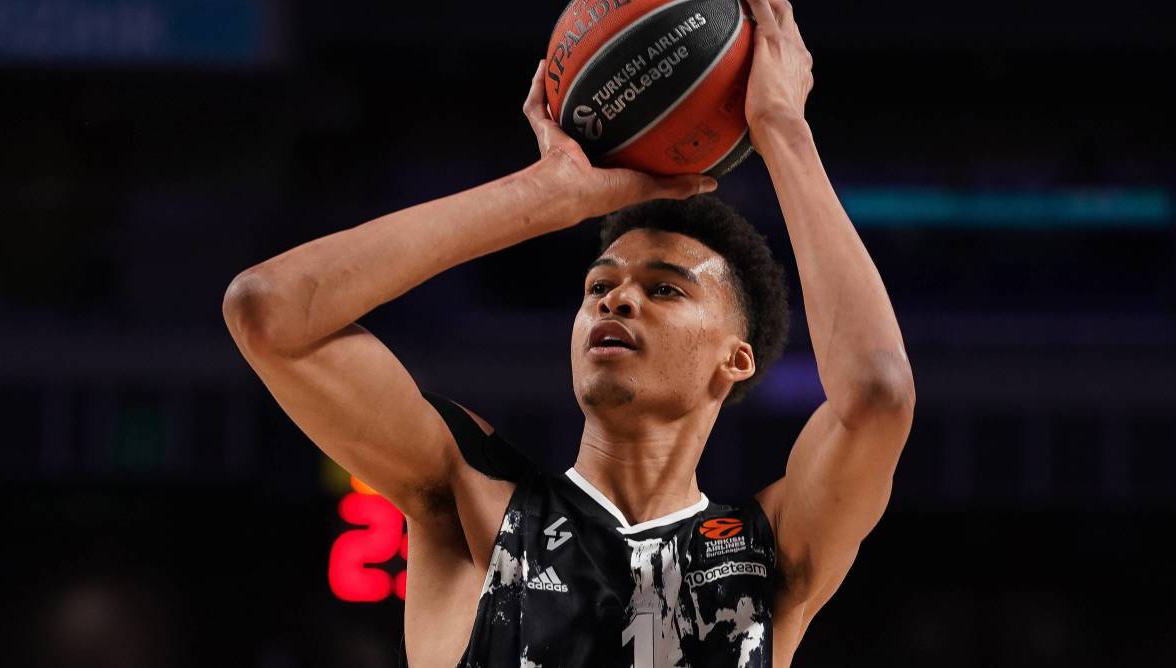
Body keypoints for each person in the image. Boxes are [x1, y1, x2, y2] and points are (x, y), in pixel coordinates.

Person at [222, 1, 914, 665]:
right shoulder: (474, 501)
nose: (617, 300)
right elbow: (269, 312)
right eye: (599, 286)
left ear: (735, 359)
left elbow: (878, 393)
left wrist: (783, 131)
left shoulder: (770, 553)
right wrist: (546, 197)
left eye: (665, 288)